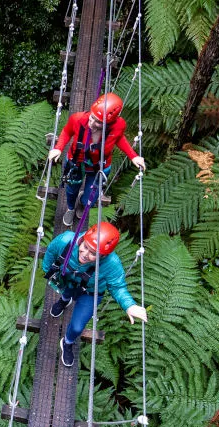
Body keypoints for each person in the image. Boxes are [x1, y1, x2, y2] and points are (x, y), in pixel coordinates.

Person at [41, 221, 147, 367]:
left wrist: (129, 306)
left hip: (90, 292)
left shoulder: (112, 264)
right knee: (67, 292)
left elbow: (117, 287)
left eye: (94, 254)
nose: (85, 255)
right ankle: (64, 301)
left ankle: (67, 342)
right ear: (83, 240)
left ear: (103, 256)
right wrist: (47, 269)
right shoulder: (66, 241)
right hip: (68, 278)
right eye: (85, 247)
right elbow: (51, 251)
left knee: (78, 327)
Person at [48, 93, 146, 226]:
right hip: (76, 162)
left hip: (99, 166)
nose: (92, 124)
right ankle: (71, 208)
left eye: (99, 122)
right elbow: (66, 132)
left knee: (91, 197)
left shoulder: (118, 125)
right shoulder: (78, 119)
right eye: (92, 118)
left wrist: (133, 156)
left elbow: (119, 138)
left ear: (110, 122)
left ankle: (83, 203)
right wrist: (58, 148)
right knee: (71, 190)